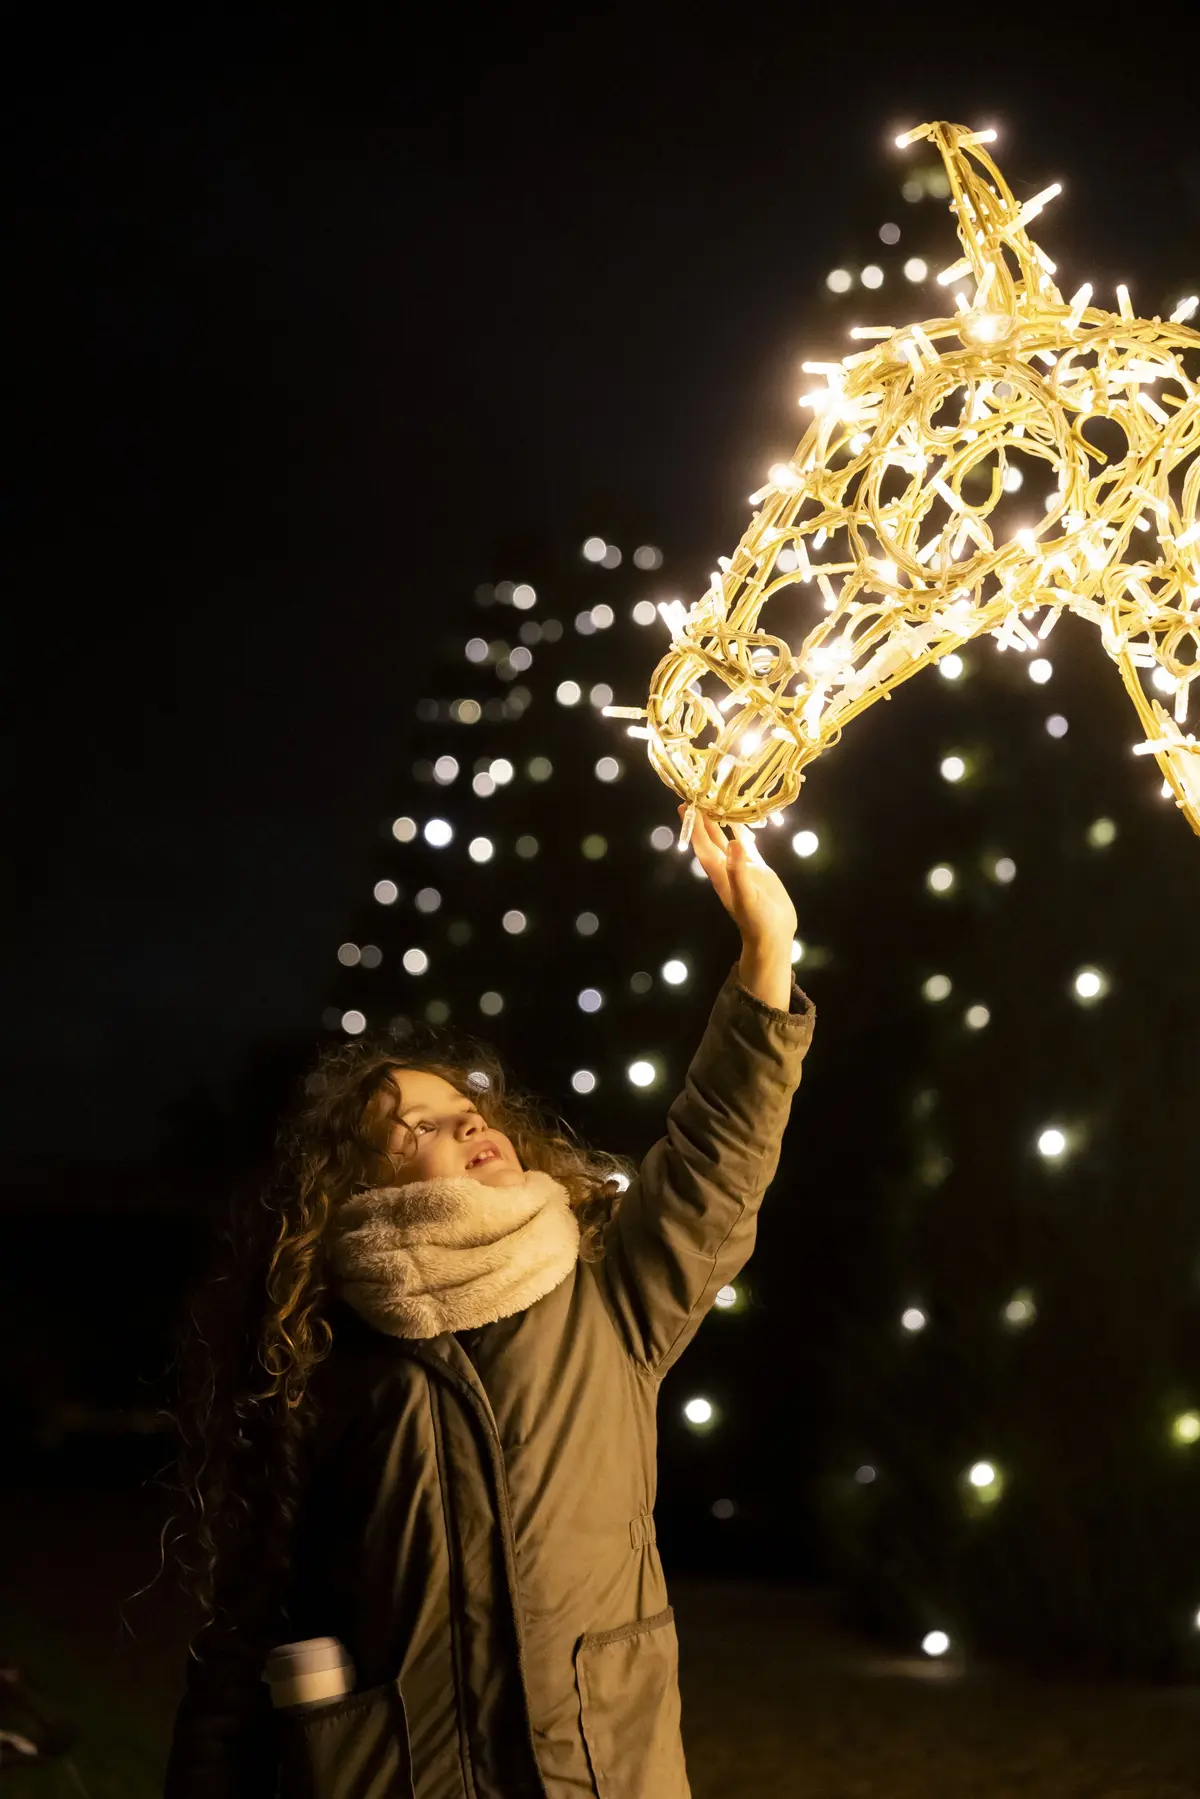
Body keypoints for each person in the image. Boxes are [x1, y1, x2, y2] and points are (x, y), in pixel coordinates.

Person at [163, 808, 816, 1798]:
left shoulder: (604, 1306)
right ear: (354, 1186)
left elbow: (713, 1164)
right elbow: (243, 1629)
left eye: (466, 1107)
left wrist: (766, 953)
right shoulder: (327, 1356)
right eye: (416, 1123)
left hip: (593, 1774)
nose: (466, 1120)